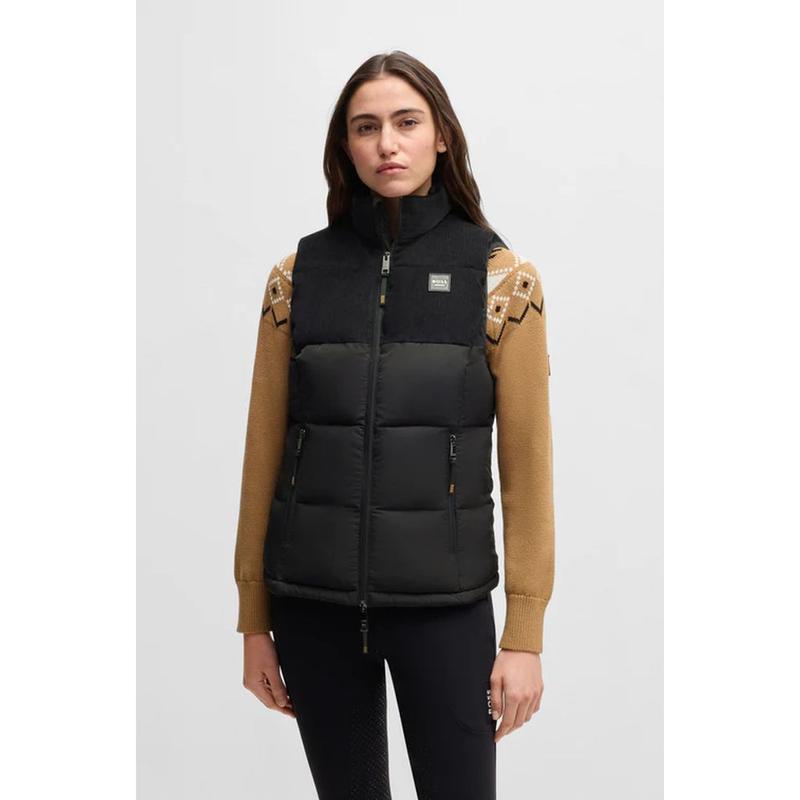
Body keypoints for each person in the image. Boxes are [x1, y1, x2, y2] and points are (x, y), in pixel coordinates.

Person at [233, 50, 555, 800]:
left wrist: (524, 634)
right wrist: (253, 619)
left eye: (407, 122)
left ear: (441, 135)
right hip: (312, 608)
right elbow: (262, 455)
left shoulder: (502, 279)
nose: (387, 144)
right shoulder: (296, 278)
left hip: (445, 610)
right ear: (344, 145)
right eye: (366, 127)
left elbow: (528, 470)